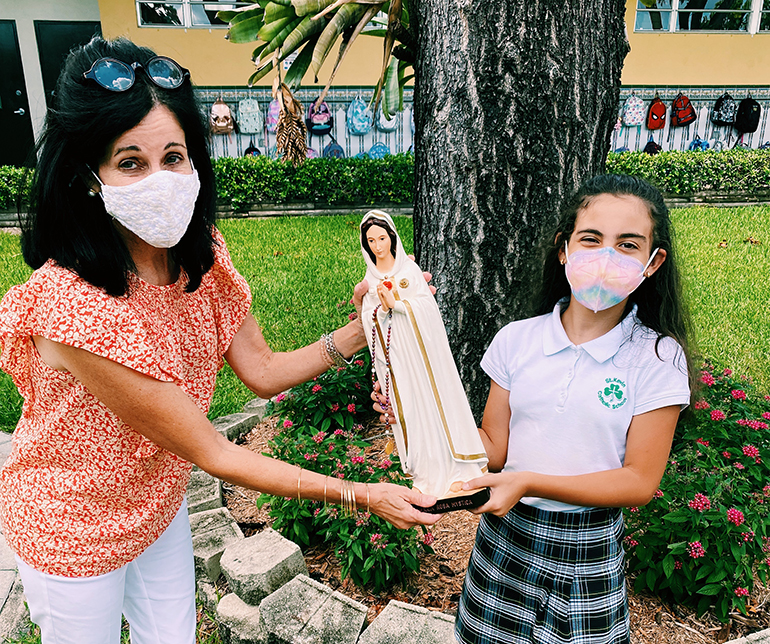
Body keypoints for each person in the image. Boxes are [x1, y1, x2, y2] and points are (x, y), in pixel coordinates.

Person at [0, 37, 437, 644]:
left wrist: (367, 327)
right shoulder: (71, 304)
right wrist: (360, 494)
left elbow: (260, 369)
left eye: (174, 156)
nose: (162, 179)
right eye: (131, 162)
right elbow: (215, 451)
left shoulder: (199, 256)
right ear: (88, 177)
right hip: (70, 521)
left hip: (157, 500)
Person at [452, 174, 693, 644]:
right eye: (591, 239)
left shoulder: (658, 359)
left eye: (627, 245)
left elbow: (639, 481)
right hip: (503, 545)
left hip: (589, 556)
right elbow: (493, 449)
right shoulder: (516, 340)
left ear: (652, 261)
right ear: (564, 249)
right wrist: (417, 423)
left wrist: (528, 482)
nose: (606, 257)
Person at [359, 211, 488, 500]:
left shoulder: (409, 271)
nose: (378, 246)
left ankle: (460, 474)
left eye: (382, 238)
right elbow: (369, 318)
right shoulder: (370, 281)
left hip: (424, 357)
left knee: (437, 408)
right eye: (371, 241)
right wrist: (378, 309)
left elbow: (427, 308)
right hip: (398, 361)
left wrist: (399, 304)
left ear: (392, 237)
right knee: (413, 414)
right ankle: (426, 478)